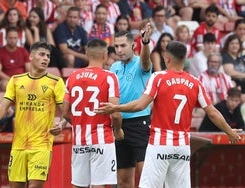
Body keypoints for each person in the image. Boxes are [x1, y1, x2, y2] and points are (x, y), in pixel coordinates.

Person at [95, 41, 241, 187]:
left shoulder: (158, 78)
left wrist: (116, 108)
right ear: (184, 59)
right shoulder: (195, 82)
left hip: (160, 144)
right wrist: (229, 132)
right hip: (182, 147)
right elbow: (212, 112)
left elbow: (140, 105)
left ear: (167, 58)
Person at [0, 41, 65, 188]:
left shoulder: (56, 82)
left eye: (48, 56)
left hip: (42, 144)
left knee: (34, 186)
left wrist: (62, 124)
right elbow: (4, 105)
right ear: (31, 56)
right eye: (41, 54)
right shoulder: (16, 80)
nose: (46, 58)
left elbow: (66, 110)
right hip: (19, 145)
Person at [60, 38, 124, 187]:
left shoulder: (72, 78)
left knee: (79, 185)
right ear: (105, 55)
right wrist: (118, 130)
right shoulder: (110, 77)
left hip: (80, 140)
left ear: (87, 54)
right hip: (102, 139)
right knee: (99, 184)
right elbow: (115, 112)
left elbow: (65, 112)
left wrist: (81, 123)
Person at [109, 23, 153, 188]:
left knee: (146, 174)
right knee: (123, 180)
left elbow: (146, 60)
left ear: (133, 45)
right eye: (116, 46)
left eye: (123, 45)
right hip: (119, 124)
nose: (119, 50)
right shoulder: (114, 67)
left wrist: (146, 42)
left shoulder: (141, 64)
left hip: (139, 123)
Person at [0, 26, 30, 91]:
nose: (13, 40)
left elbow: (29, 70)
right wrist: (12, 80)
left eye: (15, 38)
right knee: (5, 84)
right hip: (7, 80)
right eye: (10, 38)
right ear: (6, 38)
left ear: (18, 39)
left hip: (22, 80)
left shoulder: (23, 51)